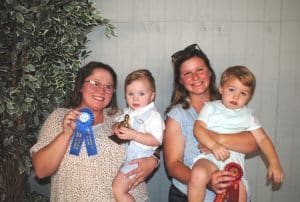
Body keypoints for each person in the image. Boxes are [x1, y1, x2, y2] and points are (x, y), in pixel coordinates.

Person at [30, 62, 159, 202]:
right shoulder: (59, 117)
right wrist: (66, 134)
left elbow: (153, 141)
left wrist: (154, 160)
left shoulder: (123, 117)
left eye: (108, 87)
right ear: (80, 86)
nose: (102, 90)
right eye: (95, 83)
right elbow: (41, 171)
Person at [163, 44, 258, 202]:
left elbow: (254, 143)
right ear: (181, 81)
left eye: (200, 70)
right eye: (188, 73)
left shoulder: (232, 104)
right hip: (186, 196)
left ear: (210, 72)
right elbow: (173, 165)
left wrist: (216, 139)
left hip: (233, 194)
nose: (195, 77)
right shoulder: (177, 115)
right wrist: (208, 181)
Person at [188, 65, 284, 202]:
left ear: (249, 97)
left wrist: (274, 163)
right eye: (231, 89)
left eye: (243, 93)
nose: (236, 96)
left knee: (240, 193)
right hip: (210, 157)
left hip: (235, 164)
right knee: (198, 173)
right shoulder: (210, 107)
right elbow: (198, 128)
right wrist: (213, 145)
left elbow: (262, 140)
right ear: (221, 88)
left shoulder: (248, 116)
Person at [112, 69, 164, 202]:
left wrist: (134, 135)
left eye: (141, 93)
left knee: (118, 189)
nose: (135, 98)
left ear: (152, 96)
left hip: (140, 159)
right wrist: (116, 128)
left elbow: (156, 140)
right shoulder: (129, 112)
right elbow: (116, 124)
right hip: (127, 157)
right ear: (125, 96)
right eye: (130, 94)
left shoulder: (153, 116)